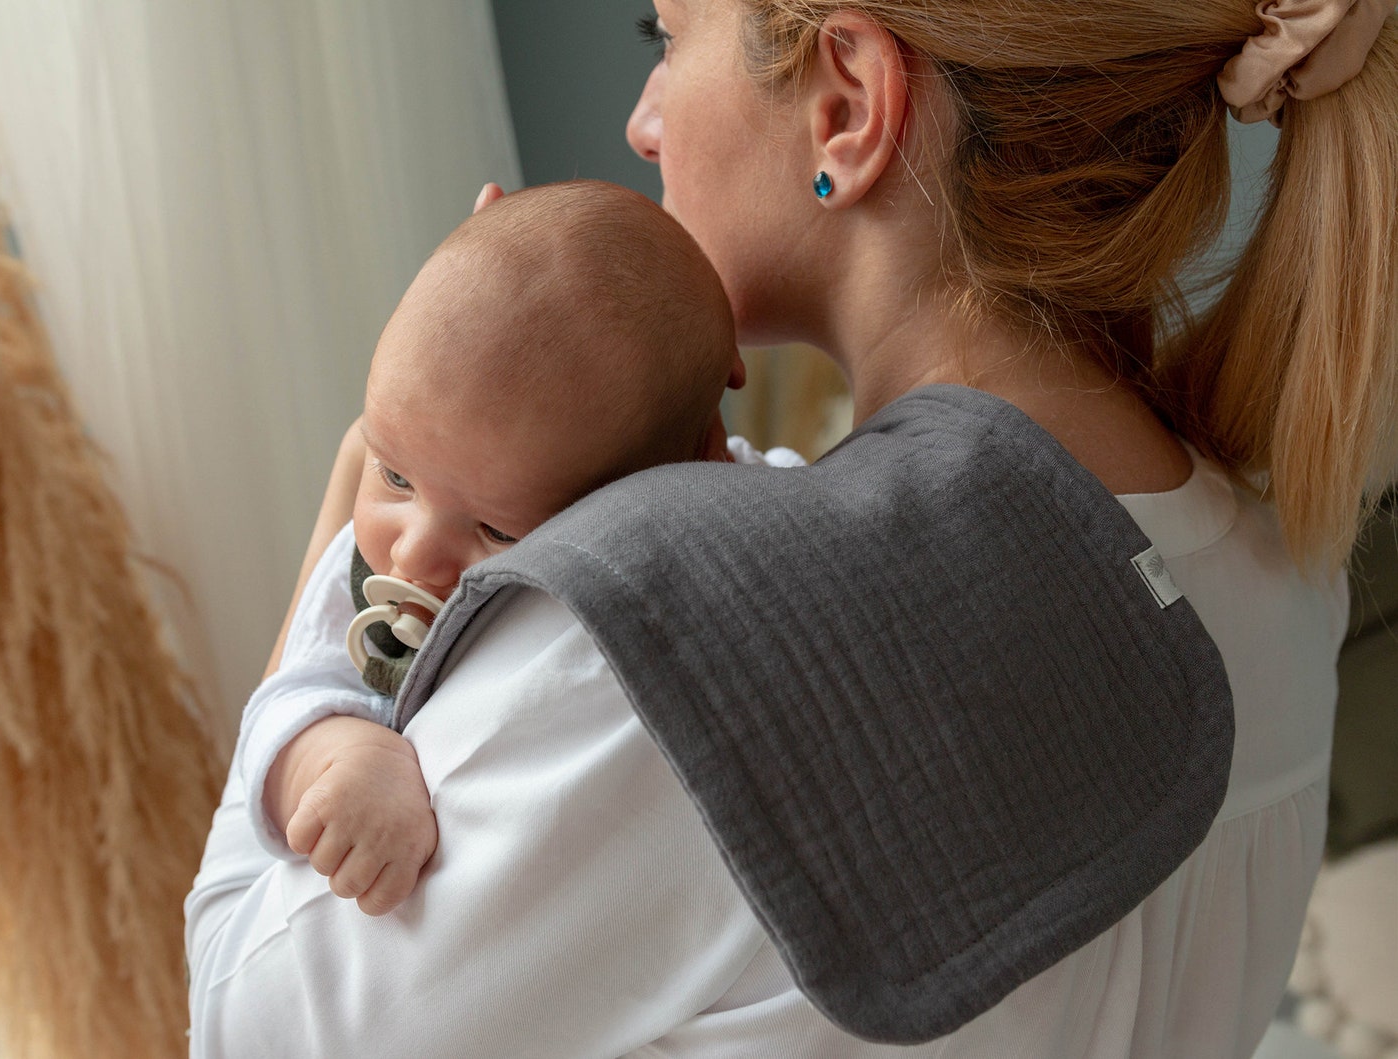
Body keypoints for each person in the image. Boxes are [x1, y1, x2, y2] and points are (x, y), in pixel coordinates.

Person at [186, 1, 1398, 1055]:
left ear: (848, 106)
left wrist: (354, 530)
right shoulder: (1282, 579)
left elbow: (245, 1025)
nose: (642, 122)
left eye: (665, 38)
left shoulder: (665, 645)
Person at [234, 179, 802, 916]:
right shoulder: (361, 579)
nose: (413, 553)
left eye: (497, 530)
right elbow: (282, 708)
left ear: (682, 474)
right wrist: (341, 754)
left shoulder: (759, 506)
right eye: (394, 475)